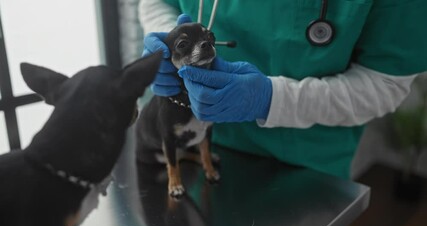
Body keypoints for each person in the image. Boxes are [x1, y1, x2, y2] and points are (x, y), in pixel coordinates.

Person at [138, 0, 427, 179]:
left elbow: (385, 82)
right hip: (192, 152)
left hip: (302, 169)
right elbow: (157, 2)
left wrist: (270, 100)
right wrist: (169, 41)